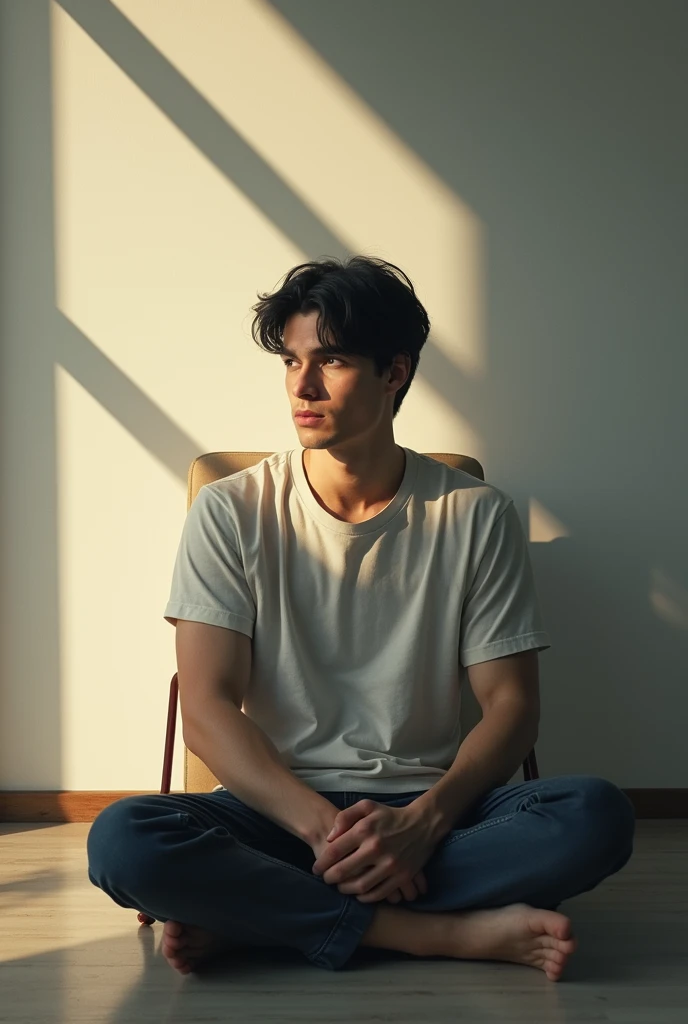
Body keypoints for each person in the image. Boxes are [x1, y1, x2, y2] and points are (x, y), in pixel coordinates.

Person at [86, 255, 635, 981]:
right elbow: (209, 709)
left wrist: (422, 825)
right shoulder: (231, 510)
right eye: (291, 361)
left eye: (332, 360)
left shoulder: (475, 515)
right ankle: (440, 935)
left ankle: (265, 922)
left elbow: (512, 706)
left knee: (595, 815)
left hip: (428, 813)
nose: (302, 387)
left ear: (394, 373)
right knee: (124, 841)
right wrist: (322, 829)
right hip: (277, 814)